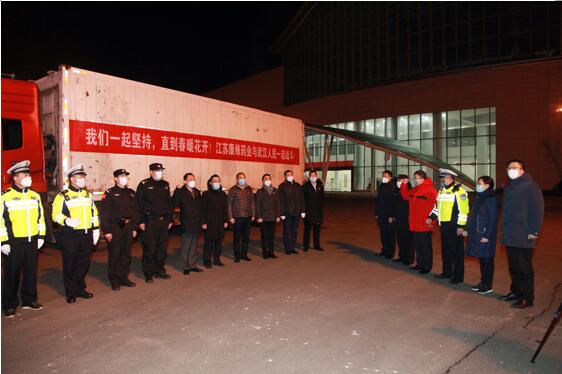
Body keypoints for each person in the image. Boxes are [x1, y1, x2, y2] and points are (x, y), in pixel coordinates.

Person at [1, 161, 46, 318]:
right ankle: (9, 304)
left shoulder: (35, 196)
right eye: (25, 175)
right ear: (15, 177)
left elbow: (41, 218)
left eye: (29, 174)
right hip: (14, 242)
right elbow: (1, 221)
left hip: (32, 240)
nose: (28, 177)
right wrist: (3, 241)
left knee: (30, 272)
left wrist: (40, 236)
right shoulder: (6, 196)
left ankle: (29, 300)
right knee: (12, 273)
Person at [499, 159, 544, 309]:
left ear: (522, 170)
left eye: (515, 167)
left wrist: (533, 231)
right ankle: (516, 292)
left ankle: (527, 297)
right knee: (514, 267)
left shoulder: (531, 187)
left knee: (524, 268)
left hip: (524, 235)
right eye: (509, 167)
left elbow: (537, 211)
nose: (511, 170)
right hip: (510, 235)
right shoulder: (510, 187)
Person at [52, 164, 100, 304]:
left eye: (83, 176)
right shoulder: (63, 196)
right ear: (72, 179)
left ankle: (80, 288)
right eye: (79, 177)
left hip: (86, 234)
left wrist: (96, 229)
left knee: (83, 264)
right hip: (71, 235)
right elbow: (55, 215)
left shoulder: (87, 195)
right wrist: (67, 220)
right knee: (70, 264)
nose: (82, 179)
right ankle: (71, 292)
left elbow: (94, 213)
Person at [427, 169, 470, 285]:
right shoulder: (442, 191)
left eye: (443, 178)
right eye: (441, 178)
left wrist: (461, 226)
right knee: (446, 250)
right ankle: (447, 272)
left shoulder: (459, 192)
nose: (441, 180)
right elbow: (437, 207)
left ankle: (458, 276)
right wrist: (431, 217)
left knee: (457, 252)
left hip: (454, 226)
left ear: (450, 178)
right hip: (444, 225)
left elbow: (464, 211)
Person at [100, 169, 139, 291]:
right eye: (121, 176)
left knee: (126, 254)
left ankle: (124, 277)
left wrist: (134, 227)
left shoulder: (131, 193)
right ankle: (115, 280)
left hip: (128, 227)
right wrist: (107, 231)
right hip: (115, 227)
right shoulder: (110, 193)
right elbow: (104, 213)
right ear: (115, 179)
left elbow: (135, 212)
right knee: (115, 254)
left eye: (125, 176)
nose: (124, 178)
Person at [136, 163, 173, 283]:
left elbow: (169, 204)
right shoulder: (144, 185)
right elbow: (138, 205)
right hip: (150, 220)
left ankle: (160, 270)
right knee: (150, 247)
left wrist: (170, 219)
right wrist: (141, 221)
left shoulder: (165, 185)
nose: (160, 173)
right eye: (157, 171)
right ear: (151, 172)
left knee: (162, 247)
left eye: (161, 170)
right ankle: (148, 273)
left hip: (163, 221)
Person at [463, 176, 498, 295]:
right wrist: (467, 229)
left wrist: (487, 235)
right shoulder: (480, 197)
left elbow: (493, 219)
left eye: (480, 183)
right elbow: (473, 216)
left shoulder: (490, 199)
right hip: (477, 232)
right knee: (482, 259)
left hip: (484, 234)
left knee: (487, 260)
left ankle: (487, 285)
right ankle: (483, 282)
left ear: (487, 185)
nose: (478, 185)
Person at [399, 170, 437, 274]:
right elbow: (405, 195)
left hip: (425, 224)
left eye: (417, 178)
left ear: (423, 178)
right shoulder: (415, 190)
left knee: (425, 246)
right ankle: (420, 264)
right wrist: (404, 184)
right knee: (418, 246)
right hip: (414, 223)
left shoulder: (431, 190)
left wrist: (431, 218)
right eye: (414, 178)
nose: (415, 180)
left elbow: (437, 206)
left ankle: (426, 266)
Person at [172, 173, 203, 275]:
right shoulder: (181, 192)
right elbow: (174, 203)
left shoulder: (197, 192)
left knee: (194, 246)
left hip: (196, 223)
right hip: (186, 223)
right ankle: (186, 266)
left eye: (193, 179)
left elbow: (200, 208)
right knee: (186, 246)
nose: (192, 181)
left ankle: (193, 265)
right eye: (190, 179)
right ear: (185, 181)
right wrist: (176, 191)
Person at [201, 175, 229, 268]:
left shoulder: (223, 194)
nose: (217, 183)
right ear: (210, 182)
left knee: (218, 243)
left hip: (220, 223)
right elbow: (203, 209)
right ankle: (207, 261)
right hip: (209, 223)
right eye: (215, 181)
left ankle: (217, 260)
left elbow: (225, 209)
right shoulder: (206, 194)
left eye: (218, 181)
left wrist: (226, 220)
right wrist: (203, 222)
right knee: (208, 243)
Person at [227, 172, 255, 262]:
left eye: (243, 178)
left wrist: (253, 214)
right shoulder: (233, 189)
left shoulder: (249, 189)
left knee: (246, 237)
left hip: (248, 216)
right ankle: (237, 256)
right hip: (237, 217)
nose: (242, 179)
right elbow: (229, 204)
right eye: (240, 178)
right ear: (237, 179)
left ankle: (244, 254)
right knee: (237, 237)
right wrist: (230, 216)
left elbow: (253, 202)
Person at [278, 170, 305, 255]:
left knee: (294, 231)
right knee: (287, 231)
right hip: (287, 213)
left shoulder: (298, 186)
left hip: (296, 213)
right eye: (288, 175)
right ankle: (287, 248)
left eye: (291, 174)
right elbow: (280, 201)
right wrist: (281, 213)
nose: (290, 176)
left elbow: (302, 199)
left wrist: (303, 210)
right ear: (285, 176)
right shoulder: (282, 186)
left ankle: (292, 247)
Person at [255, 174, 281, 259]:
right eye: (266, 179)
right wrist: (258, 217)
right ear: (263, 181)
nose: (268, 180)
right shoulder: (260, 191)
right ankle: (265, 253)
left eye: (269, 179)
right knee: (265, 236)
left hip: (273, 217)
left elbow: (278, 204)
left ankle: (271, 252)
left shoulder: (275, 191)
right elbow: (257, 205)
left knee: (271, 236)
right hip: (264, 218)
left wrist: (278, 215)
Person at [375, 170, 397, 259]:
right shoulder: (382, 186)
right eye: (383, 175)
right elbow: (378, 201)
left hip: (389, 215)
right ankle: (384, 250)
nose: (384, 177)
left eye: (386, 176)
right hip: (382, 214)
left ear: (391, 177)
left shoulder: (393, 187)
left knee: (390, 234)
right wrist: (376, 213)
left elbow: (394, 203)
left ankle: (390, 253)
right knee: (383, 234)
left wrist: (392, 215)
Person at [302, 170, 326, 251]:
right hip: (308, 212)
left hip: (318, 212)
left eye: (314, 175)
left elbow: (322, 198)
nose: (313, 176)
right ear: (309, 177)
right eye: (311, 175)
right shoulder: (305, 186)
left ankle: (317, 245)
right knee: (307, 230)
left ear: (317, 176)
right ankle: (306, 246)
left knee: (317, 230)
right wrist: (303, 211)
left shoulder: (320, 186)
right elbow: (303, 200)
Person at [393, 174, 414, 265]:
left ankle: (408, 258)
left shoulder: (410, 191)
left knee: (407, 239)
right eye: (398, 180)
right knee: (400, 239)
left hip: (407, 219)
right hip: (399, 218)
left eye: (401, 180)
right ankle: (402, 257)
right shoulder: (397, 190)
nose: (399, 182)